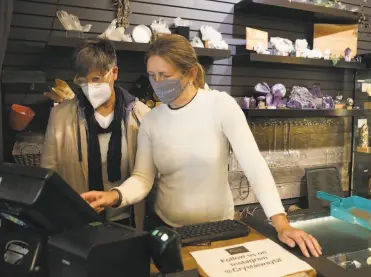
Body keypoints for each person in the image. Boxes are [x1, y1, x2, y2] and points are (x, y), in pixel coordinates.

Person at [81, 34, 322, 258]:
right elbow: (143, 178)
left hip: (220, 229)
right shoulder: (152, 121)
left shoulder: (220, 106)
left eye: (165, 75)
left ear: (191, 73)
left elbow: (254, 167)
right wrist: (114, 195)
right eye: (152, 76)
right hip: (169, 231)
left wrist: (281, 223)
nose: (157, 83)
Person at [41, 39, 150, 227]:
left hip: (127, 218)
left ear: (114, 73)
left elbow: (145, 175)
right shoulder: (60, 116)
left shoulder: (140, 115)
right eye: (84, 82)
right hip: (78, 220)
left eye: (96, 80)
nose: (90, 88)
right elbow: (48, 173)